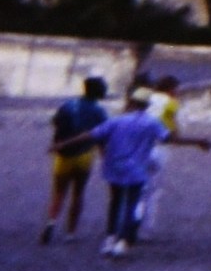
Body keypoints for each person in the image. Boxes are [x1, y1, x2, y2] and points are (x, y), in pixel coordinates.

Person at [64, 88, 172, 259]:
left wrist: (62, 144)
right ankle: (123, 241)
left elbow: (91, 135)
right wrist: (197, 142)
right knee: (131, 204)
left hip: (114, 166)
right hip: (137, 168)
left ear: (131, 102)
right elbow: (168, 138)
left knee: (115, 203)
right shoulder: (152, 122)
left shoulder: (117, 121)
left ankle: (110, 237)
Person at [40, 75, 109, 244]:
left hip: (63, 155)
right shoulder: (99, 111)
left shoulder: (67, 105)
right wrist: (104, 156)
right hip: (84, 155)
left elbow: (55, 123)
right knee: (78, 193)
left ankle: (51, 222)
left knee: (58, 192)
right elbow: (101, 135)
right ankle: (70, 232)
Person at [138, 74, 185, 238]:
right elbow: (174, 129)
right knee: (153, 189)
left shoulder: (147, 98)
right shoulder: (171, 103)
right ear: (171, 89)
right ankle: (146, 228)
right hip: (160, 146)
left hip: (141, 146)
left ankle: (132, 222)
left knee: (138, 187)